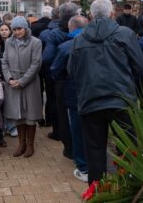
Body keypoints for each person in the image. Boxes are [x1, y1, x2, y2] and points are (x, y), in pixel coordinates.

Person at [67, 0, 143, 185]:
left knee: (94, 150)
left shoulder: (79, 39)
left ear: (91, 16)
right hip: (121, 99)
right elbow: (140, 66)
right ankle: (129, 187)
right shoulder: (125, 34)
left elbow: (72, 71)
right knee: (127, 147)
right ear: (112, 14)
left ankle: (98, 191)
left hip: (91, 100)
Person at [50, 15, 89, 182]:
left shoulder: (66, 47)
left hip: (74, 94)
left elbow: (55, 70)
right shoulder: (96, 43)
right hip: (94, 93)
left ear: (70, 28)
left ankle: (82, 165)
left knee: (77, 129)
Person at [2, 16, 43, 158]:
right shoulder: (8, 42)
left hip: (30, 83)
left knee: (30, 115)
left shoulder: (36, 42)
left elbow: (36, 64)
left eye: (19, 29)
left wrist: (23, 81)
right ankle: (21, 144)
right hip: (13, 83)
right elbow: (4, 62)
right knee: (18, 114)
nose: (16, 32)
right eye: (14, 29)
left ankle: (30, 144)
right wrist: (9, 78)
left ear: (25, 28)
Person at [42, 2, 79, 158]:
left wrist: (58, 68)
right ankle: (79, 147)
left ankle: (69, 148)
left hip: (62, 79)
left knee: (63, 114)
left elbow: (47, 58)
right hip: (80, 78)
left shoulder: (54, 34)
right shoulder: (83, 30)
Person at [38, 7, 60, 127]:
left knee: (50, 96)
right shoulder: (70, 30)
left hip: (47, 69)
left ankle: (48, 120)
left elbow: (44, 55)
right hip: (63, 70)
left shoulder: (45, 33)